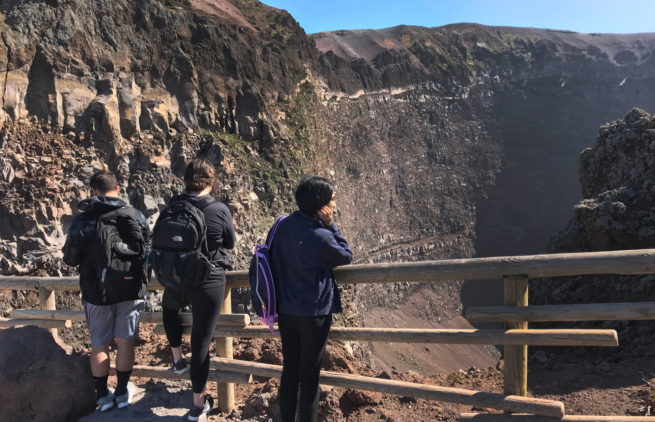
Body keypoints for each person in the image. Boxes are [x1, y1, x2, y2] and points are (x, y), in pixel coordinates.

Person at [62, 170, 149, 412]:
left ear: (93, 191)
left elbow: (70, 258)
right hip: (130, 288)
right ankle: (122, 392)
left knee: (99, 344)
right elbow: (146, 250)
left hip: (96, 291)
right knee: (126, 341)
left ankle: (102, 396)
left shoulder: (83, 220)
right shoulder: (135, 215)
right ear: (118, 190)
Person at [270, 176, 353, 422]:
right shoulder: (320, 234)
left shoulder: (282, 226)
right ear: (321, 205)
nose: (335, 204)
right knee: (309, 377)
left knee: (290, 372)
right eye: (332, 200)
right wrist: (332, 227)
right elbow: (346, 256)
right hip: (314, 314)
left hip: (285, 310)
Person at [160, 158, 236, 421]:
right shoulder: (218, 209)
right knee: (202, 341)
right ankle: (197, 405)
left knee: (169, 308)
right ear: (211, 181)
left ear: (185, 180)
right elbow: (230, 242)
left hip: (175, 276)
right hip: (207, 279)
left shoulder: (173, 205)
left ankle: (177, 358)